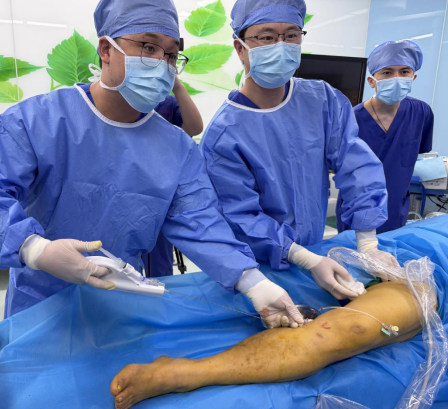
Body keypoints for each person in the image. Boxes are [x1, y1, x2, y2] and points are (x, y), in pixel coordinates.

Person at [0, 0, 304, 328]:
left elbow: (201, 223)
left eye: (171, 55)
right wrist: (36, 249)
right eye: (148, 47)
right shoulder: (37, 121)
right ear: (106, 50)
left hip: (122, 301)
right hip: (41, 305)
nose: (161, 63)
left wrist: (252, 281)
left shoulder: (177, 148)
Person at [199, 0, 399, 302]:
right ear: (240, 48)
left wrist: (368, 245)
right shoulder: (224, 135)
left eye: (291, 35)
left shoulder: (322, 100)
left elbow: (356, 165)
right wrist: (305, 259)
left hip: (317, 251)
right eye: (267, 37)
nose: (281, 45)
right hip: (260, 270)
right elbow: (240, 216)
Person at [109, 280, 424, 409]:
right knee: (350, 328)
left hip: (422, 265)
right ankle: (181, 372)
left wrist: (368, 242)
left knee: (360, 327)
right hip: (405, 264)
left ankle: (184, 372)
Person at [336, 41, 434, 234]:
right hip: (357, 211)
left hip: (396, 211)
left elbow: (414, 154)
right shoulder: (350, 119)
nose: (397, 78)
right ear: (372, 81)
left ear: (413, 77)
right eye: (387, 72)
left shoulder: (421, 112)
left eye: (404, 72)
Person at [144, 76, 204, 277]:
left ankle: (160, 293)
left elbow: (194, 128)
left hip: (159, 195)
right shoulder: (116, 106)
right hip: (123, 193)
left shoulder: (167, 104)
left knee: (159, 267)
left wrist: (177, 86)